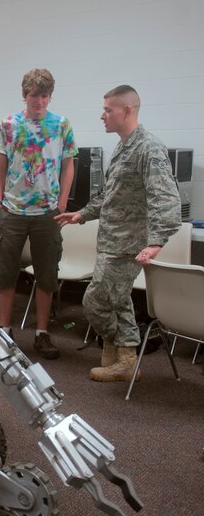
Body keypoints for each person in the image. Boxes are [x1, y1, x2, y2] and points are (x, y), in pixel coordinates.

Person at [55, 85, 181, 382]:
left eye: (108, 109)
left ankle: (121, 352)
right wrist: (81, 214)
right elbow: (110, 195)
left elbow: (166, 197)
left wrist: (156, 241)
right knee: (118, 300)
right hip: (111, 241)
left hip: (128, 245)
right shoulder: (123, 147)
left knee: (94, 301)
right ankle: (122, 360)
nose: (102, 115)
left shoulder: (148, 147)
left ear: (127, 110)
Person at [0, 68, 77, 359]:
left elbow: (69, 165)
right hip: (13, 209)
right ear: (24, 95)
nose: (38, 101)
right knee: (5, 271)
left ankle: (42, 333)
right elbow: (0, 163)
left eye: (44, 95)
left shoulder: (61, 124)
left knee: (47, 273)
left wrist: (62, 203)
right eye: (33, 95)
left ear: (50, 96)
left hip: (48, 212)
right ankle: (5, 329)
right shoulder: (9, 124)